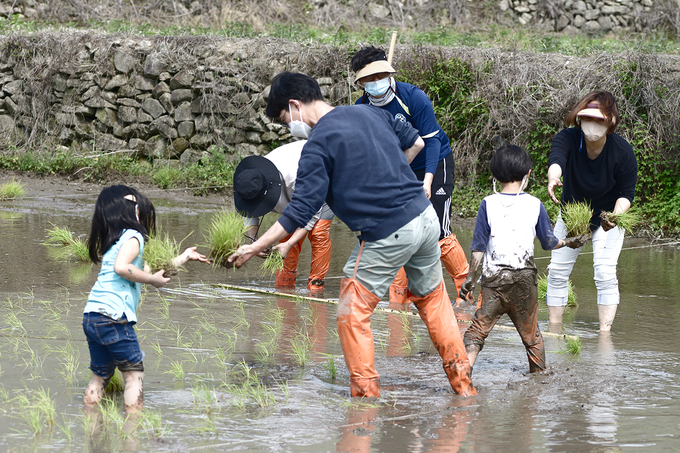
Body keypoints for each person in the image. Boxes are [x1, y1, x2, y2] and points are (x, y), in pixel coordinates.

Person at [229, 72, 476, 398]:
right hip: (425, 219)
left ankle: (365, 400)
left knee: (351, 312)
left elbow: (300, 210)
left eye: (285, 119)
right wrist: (393, 175)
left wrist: (254, 246)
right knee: (434, 303)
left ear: (294, 104)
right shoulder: (370, 111)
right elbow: (416, 141)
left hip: (387, 231)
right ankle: (463, 387)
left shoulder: (317, 143)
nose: (290, 126)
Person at [351, 46, 470, 305]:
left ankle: (466, 294)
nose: (376, 83)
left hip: (434, 163)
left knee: (438, 228)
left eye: (379, 76)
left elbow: (432, 141)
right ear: (359, 82)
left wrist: (426, 181)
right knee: (400, 230)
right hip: (400, 170)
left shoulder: (414, 97)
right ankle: (399, 299)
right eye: (369, 79)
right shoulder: (362, 108)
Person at [459, 145, 586, 373]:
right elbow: (549, 242)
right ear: (527, 173)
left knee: (476, 332)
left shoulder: (488, 203)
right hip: (525, 279)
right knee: (532, 335)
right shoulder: (535, 204)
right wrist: (569, 242)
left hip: (494, 280)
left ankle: (463, 375)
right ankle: (538, 380)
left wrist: (470, 278)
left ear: (495, 176)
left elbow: (478, 248)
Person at [82, 185, 207, 412]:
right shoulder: (133, 235)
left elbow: (146, 270)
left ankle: (92, 427)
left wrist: (184, 257)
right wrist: (151, 281)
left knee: (100, 376)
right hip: (114, 317)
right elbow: (124, 268)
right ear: (134, 212)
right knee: (133, 375)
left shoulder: (116, 241)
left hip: (92, 316)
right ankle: (132, 434)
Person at [546, 91, 638, 332]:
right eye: (589, 118)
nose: (593, 125)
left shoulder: (623, 152)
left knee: (605, 273)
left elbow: (626, 194)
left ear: (611, 122)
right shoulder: (567, 138)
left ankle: (604, 335)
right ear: (579, 118)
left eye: (600, 120)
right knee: (556, 272)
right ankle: (554, 330)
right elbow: (557, 160)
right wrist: (554, 178)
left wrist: (615, 217)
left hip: (607, 218)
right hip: (571, 215)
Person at [233, 140, 334, 294]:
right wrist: (254, 242)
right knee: (287, 234)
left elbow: (311, 216)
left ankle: (316, 288)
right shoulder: (249, 180)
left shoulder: (297, 178)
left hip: (326, 180)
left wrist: (290, 243)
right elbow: (248, 211)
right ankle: (284, 287)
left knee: (318, 232)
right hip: (294, 189)